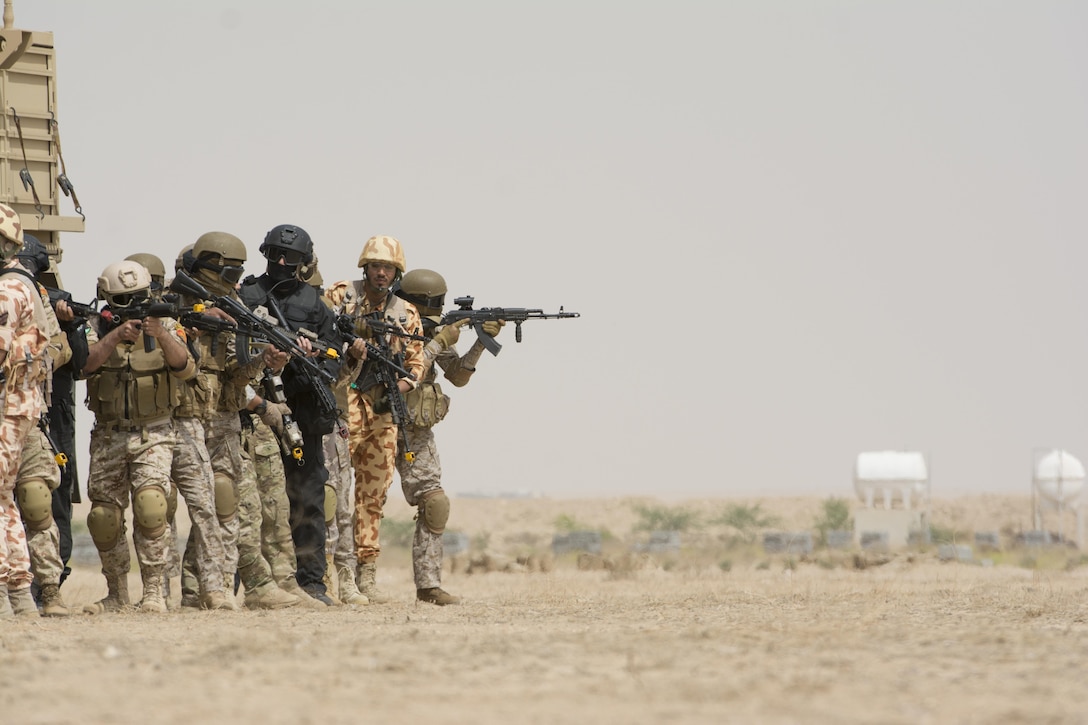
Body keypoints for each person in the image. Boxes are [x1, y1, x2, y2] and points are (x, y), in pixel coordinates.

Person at [176, 233, 300, 610]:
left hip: (225, 419)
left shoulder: (231, 309)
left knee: (235, 504)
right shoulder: (176, 305)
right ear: (209, 267)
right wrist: (193, 323)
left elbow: (235, 376)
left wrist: (265, 361)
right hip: (186, 420)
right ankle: (214, 588)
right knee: (206, 508)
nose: (235, 280)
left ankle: (207, 590)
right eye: (230, 272)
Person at [82, 259, 196, 613]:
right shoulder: (93, 326)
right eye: (123, 300)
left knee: (151, 507)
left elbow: (186, 368)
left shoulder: (167, 326)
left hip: (155, 430)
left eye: (138, 298)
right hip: (109, 433)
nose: (132, 306)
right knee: (104, 517)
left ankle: (153, 592)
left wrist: (159, 334)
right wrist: (115, 335)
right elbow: (83, 366)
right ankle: (116, 593)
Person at [238, 224, 342, 605]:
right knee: (249, 502)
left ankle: (312, 581)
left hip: (304, 410)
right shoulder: (246, 295)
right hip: (256, 407)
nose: (282, 262)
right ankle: (247, 581)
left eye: (292, 257)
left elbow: (336, 357)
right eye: (276, 255)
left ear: (304, 261)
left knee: (308, 497)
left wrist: (314, 355)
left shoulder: (315, 304)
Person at [393, 269, 502, 604]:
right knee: (353, 503)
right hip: (377, 423)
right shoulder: (389, 327)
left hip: (416, 430)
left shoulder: (435, 333)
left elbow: (457, 377)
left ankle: (428, 586)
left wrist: (479, 343)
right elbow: (405, 369)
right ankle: (336, 581)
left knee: (435, 502)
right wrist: (439, 341)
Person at [326, 235, 424, 603]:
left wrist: (396, 386)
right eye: (376, 266)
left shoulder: (405, 313)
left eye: (388, 268)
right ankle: (330, 572)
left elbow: (417, 365)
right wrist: (347, 346)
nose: (381, 273)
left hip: (383, 413)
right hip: (343, 403)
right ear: (365, 267)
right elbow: (317, 333)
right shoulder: (341, 296)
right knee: (334, 492)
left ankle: (365, 575)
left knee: (373, 496)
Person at [12, 234, 74, 616]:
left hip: (26, 411)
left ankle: (49, 590)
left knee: (36, 499)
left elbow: (56, 350)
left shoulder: (31, 293)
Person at [0, 204, 52, 619]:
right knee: (4, 501)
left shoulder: (7, 289)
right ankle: (17, 592)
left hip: (6, 406)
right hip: (16, 405)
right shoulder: (23, 284)